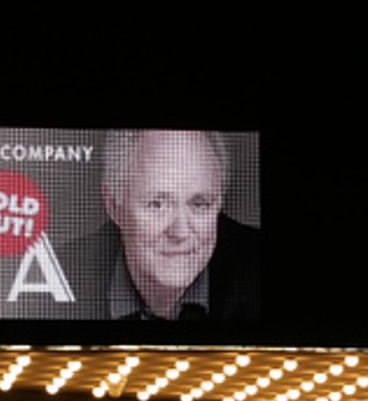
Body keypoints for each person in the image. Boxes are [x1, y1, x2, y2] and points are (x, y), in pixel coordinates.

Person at [65, 129, 259, 320]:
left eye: (199, 204)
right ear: (114, 206)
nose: (180, 232)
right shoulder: (62, 276)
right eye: (157, 204)